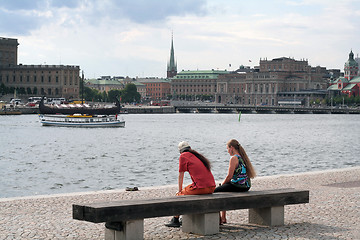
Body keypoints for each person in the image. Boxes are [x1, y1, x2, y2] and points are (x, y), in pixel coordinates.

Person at [165, 141, 216, 227]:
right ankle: (183, 218)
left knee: (179, 196)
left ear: (180, 151)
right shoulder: (197, 156)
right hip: (211, 186)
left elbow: (181, 175)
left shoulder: (183, 156)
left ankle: (175, 220)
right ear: (190, 148)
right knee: (187, 190)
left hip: (201, 187)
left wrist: (180, 190)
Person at [214, 139, 256, 224]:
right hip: (246, 185)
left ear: (231, 148)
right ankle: (223, 218)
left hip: (238, 185)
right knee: (223, 190)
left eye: (227, 149)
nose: (228, 151)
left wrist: (222, 184)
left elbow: (229, 176)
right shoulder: (243, 157)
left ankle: (219, 219)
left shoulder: (234, 158)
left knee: (215, 191)